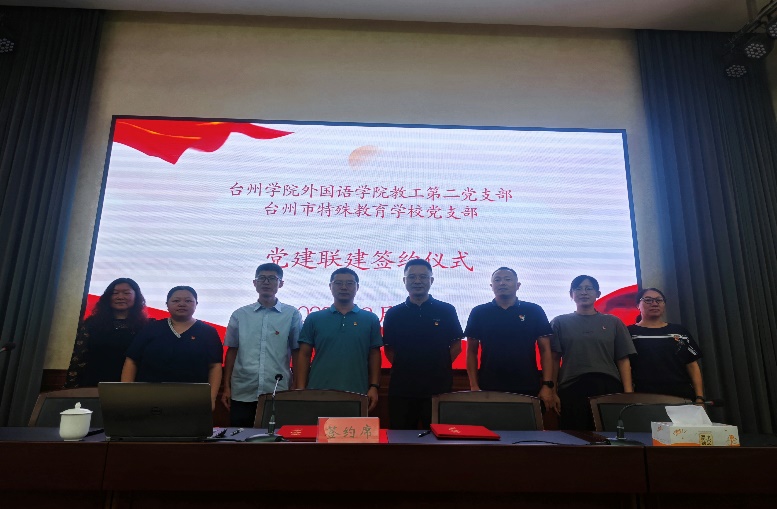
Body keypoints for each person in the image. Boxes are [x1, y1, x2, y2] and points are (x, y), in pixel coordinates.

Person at [383, 259, 464, 429]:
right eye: (412, 277)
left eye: (423, 277)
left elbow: (457, 345)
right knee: (401, 436)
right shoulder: (393, 313)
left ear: (431, 280)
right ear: (404, 281)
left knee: (437, 436)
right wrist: (407, 366)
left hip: (438, 386)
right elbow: (389, 349)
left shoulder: (446, 310)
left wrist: (439, 364)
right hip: (402, 387)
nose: (417, 281)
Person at [465, 267, 557, 413]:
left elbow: (545, 350)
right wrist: (474, 385)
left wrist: (547, 385)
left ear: (518, 285)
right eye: (497, 280)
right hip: (489, 386)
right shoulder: (479, 312)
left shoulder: (534, 310)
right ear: (491, 286)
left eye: (507, 279)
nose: (502, 283)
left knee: (527, 427)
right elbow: (471, 352)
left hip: (527, 385)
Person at [221, 263, 302, 427]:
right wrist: (227, 387)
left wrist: (298, 385)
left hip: (278, 389)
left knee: (276, 438)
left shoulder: (292, 314)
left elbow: (297, 352)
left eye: (272, 278)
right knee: (241, 437)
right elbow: (232, 351)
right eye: (262, 278)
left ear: (281, 283)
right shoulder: (240, 314)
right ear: (255, 283)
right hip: (243, 389)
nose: (266, 282)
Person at [550, 275, 636, 430]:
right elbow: (554, 359)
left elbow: (623, 360)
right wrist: (552, 391)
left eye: (589, 288)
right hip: (572, 387)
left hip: (608, 387)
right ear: (571, 294)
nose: (584, 292)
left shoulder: (613, 322)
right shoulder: (559, 322)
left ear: (598, 293)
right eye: (578, 289)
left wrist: (628, 394)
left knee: (610, 435)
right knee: (575, 436)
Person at [295, 268, 383, 411]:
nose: (344, 287)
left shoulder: (370, 319)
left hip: (357, 392)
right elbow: (304, 355)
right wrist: (300, 389)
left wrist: (374, 386)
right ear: (330, 286)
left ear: (357, 287)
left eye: (349, 283)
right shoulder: (314, 318)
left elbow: (374, 354)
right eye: (338, 283)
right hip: (318, 390)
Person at [121, 286, 223, 409]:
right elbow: (132, 360)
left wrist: (211, 398)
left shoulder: (208, 332)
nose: (182, 304)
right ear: (167, 304)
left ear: (196, 304)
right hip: (149, 397)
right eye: (176, 300)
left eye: (188, 300)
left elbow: (215, 366)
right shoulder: (151, 328)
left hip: (192, 398)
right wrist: (126, 393)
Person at [65, 278, 149, 388]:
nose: (120, 297)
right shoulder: (92, 324)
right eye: (115, 293)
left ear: (136, 297)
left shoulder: (145, 326)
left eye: (126, 293)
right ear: (107, 297)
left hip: (133, 387)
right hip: (94, 385)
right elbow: (79, 357)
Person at [627, 287, 704, 402]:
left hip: (681, 396)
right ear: (638, 305)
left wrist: (699, 397)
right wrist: (629, 397)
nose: (654, 304)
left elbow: (692, 365)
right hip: (645, 397)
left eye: (659, 300)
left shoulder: (679, 331)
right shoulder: (628, 333)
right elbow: (625, 367)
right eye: (648, 300)